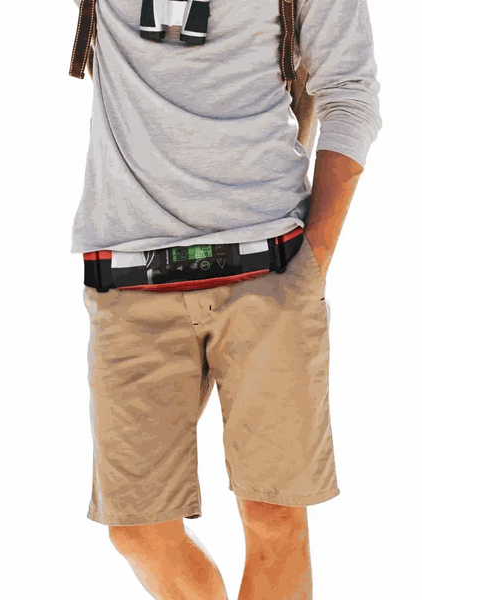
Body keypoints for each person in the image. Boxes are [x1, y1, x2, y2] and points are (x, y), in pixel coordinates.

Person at [68, 1, 381, 598]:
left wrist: (312, 263)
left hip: (268, 270)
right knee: (136, 526)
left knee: (274, 518)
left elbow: (350, 92)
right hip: (129, 277)